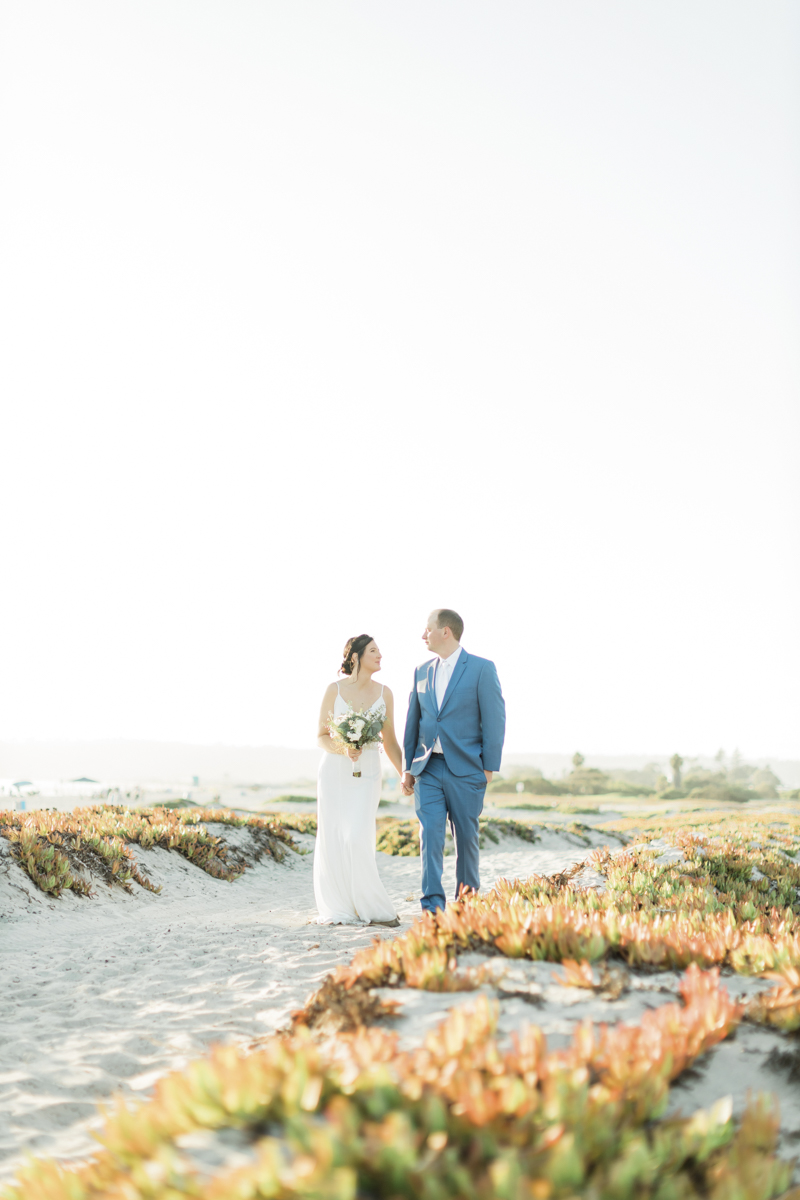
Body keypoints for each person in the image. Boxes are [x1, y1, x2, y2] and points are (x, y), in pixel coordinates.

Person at [401, 609, 505, 913]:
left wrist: (488, 769)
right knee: (430, 834)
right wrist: (409, 768)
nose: (423, 635)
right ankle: (432, 906)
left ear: (446, 631)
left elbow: (495, 720)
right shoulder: (420, 671)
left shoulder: (482, 669)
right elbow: (413, 723)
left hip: (467, 769)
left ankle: (467, 903)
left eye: (428, 629)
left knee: (466, 839)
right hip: (428, 768)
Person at [314, 634, 402, 925]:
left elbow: (390, 742)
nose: (380, 656)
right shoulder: (334, 690)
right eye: (374, 651)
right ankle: (341, 906)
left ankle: (372, 907)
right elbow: (322, 737)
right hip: (335, 774)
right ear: (355, 657)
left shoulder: (385, 693)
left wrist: (406, 775)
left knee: (358, 836)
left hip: (368, 773)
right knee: (335, 837)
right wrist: (344, 748)